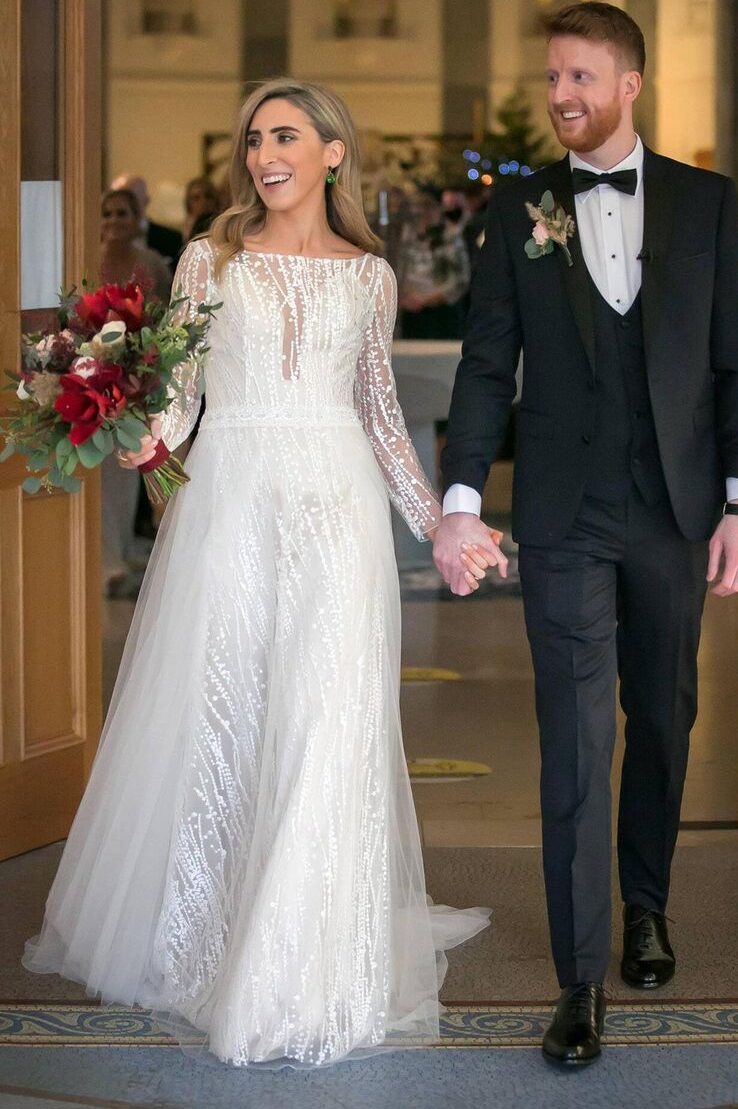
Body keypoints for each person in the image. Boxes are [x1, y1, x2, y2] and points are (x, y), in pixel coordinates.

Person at [24, 78, 491, 1068]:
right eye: (252, 140)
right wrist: (118, 417)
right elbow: (181, 398)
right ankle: (209, 946)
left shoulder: (368, 276)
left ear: (331, 152)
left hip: (338, 517)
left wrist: (439, 525)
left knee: (329, 726)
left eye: (285, 134)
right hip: (229, 508)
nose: (264, 153)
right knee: (229, 722)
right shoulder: (209, 259)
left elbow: (378, 414)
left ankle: (307, 970)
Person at [434, 2, 738, 1067]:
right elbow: (488, 365)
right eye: (553, 79)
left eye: (581, 77)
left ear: (629, 84)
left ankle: (647, 907)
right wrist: (458, 499)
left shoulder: (707, 204)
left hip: (675, 512)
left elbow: (736, 365)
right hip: (565, 515)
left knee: (664, 718)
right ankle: (579, 981)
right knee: (577, 742)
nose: (562, 96)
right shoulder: (520, 211)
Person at [99, 188, 172, 593]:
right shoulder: (86, 255)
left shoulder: (151, 264)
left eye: (122, 213)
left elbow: (163, 319)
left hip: (137, 375)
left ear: (137, 217)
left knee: (131, 467)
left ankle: (122, 550)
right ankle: (104, 557)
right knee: (104, 470)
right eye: (107, 213)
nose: (114, 221)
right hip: (97, 375)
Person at [397, 187, 470, 339]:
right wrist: (402, 297)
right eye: (420, 209)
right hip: (411, 313)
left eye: (429, 208)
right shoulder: (405, 236)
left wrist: (428, 300)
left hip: (441, 314)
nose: (424, 214)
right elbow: (397, 268)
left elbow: (461, 279)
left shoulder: (450, 237)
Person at [110, 173, 183, 270]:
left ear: (146, 200)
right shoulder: (96, 241)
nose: (124, 203)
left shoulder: (172, 239)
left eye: (131, 198)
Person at [182, 175, 220, 246]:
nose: (203, 201)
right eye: (196, 198)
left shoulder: (219, 225)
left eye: (208, 196)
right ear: (188, 203)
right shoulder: (186, 224)